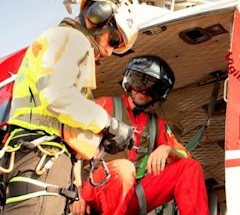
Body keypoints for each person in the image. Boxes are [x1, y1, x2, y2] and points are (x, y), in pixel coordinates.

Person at [0, 0, 139, 215]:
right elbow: (58, 96)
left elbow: (62, 115)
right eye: (114, 40)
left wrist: (97, 142)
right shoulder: (71, 39)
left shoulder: (62, 42)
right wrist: (109, 125)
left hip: (42, 161)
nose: (109, 51)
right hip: (41, 159)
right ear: (98, 17)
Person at [70, 55, 210, 215]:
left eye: (153, 88)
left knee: (190, 167)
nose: (143, 91)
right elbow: (71, 147)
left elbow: (186, 157)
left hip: (134, 195)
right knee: (124, 168)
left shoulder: (157, 125)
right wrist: (76, 192)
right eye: (139, 82)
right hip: (96, 190)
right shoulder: (104, 106)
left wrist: (167, 150)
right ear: (128, 81)